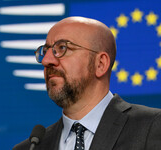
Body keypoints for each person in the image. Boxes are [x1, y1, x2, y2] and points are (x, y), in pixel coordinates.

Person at [13, 16, 161, 150]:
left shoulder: (152, 127)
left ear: (100, 64)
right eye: (45, 51)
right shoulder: (30, 148)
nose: (46, 60)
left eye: (62, 48)